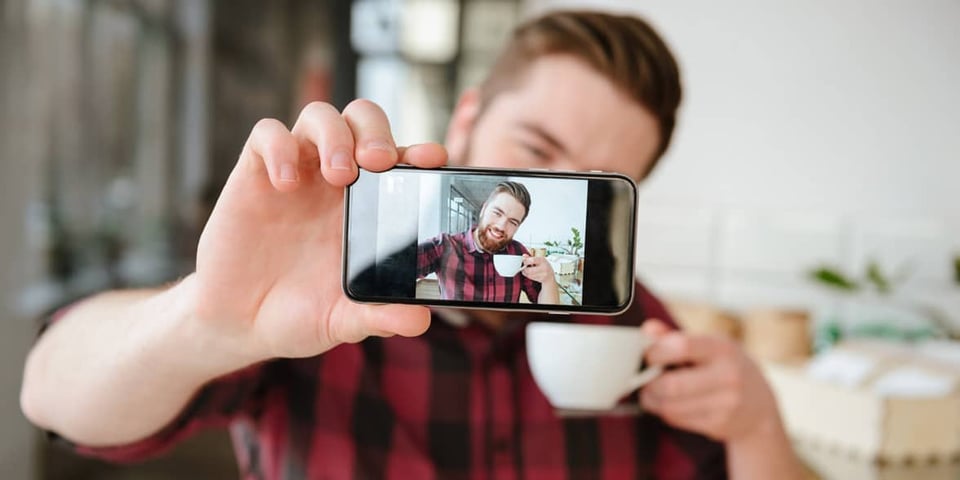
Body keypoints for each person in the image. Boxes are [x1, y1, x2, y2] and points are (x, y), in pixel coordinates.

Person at [21, 10, 805, 479]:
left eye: (598, 180)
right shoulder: (342, 290)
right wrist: (209, 317)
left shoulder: (644, 337)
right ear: (466, 120)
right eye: (533, 150)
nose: (535, 203)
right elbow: (51, 392)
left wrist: (759, 431)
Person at [416, 180, 560, 304]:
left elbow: (550, 312)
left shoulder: (519, 253)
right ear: (484, 209)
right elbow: (397, 270)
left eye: (513, 222)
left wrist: (549, 279)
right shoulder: (444, 246)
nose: (501, 226)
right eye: (497, 213)